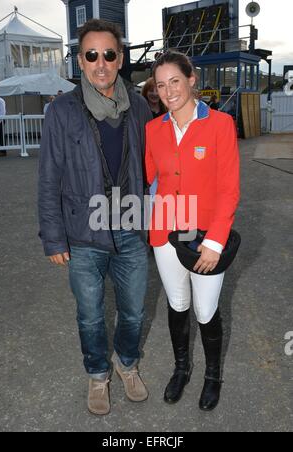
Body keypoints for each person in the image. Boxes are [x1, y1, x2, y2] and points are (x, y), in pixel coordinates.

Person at [38, 19, 152, 416]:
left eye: (108, 54)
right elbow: (49, 175)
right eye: (91, 55)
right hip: (83, 233)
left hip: (130, 229)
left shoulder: (138, 105)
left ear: (119, 59)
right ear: (80, 61)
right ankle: (98, 374)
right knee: (89, 316)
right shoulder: (61, 110)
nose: (100, 63)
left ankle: (126, 364)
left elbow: (150, 167)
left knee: (134, 310)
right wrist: (53, 238)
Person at [145, 51, 240, 411]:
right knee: (177, 303)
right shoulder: (153, 129)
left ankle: (213, 375)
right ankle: (182, 369)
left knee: (204, 309)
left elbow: (229, 188)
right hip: (166, 235)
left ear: (191, 79)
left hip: (206, 238)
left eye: (174, 82)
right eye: (160, 85)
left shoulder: (220, 124)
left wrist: (215, 241)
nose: (168, 91)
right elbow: (150, 179)